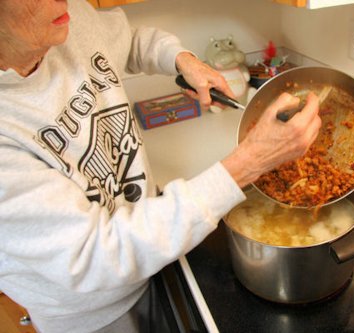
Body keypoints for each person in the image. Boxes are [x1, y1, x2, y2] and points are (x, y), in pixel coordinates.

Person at [0, 0, 321, 332]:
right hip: (98, 314)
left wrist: (182, 60)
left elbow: (131, 40)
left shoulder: (66, 17)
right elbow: (96, 255)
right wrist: (249, 162)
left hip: (156, 246)